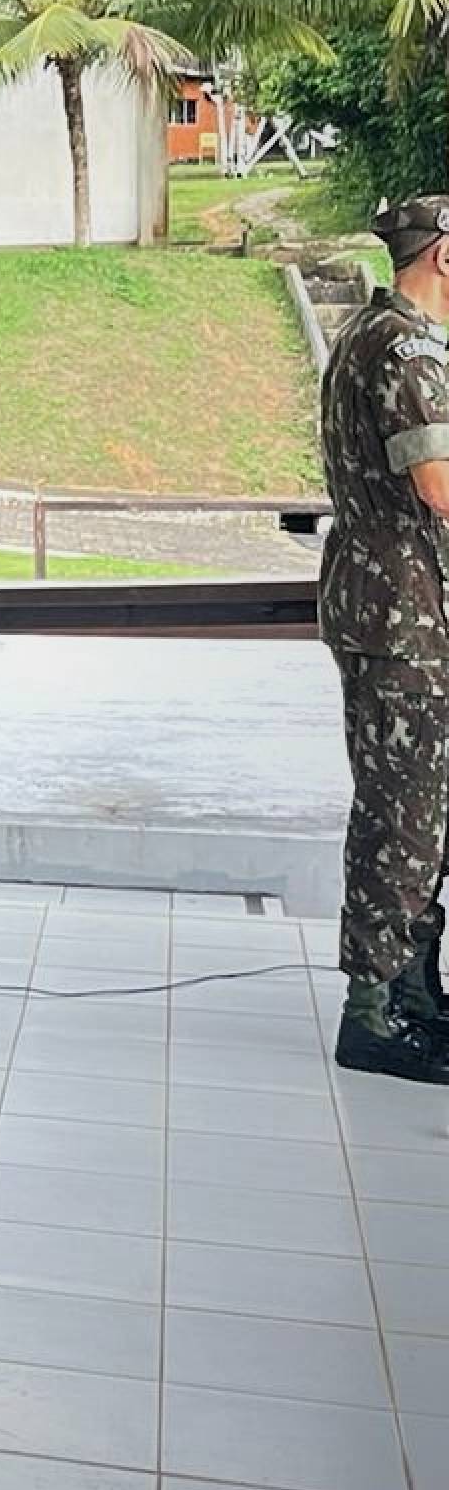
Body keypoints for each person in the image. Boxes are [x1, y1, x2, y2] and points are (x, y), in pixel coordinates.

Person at [321, 194, 449, 1082]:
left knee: (418, 809)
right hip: (404, 614)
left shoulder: (376, 335)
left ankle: (411, 992)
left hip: (395, 605)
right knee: (406, 813)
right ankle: (376, 1009)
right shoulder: (406, 351)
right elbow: (442, 484)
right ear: (443, 257)